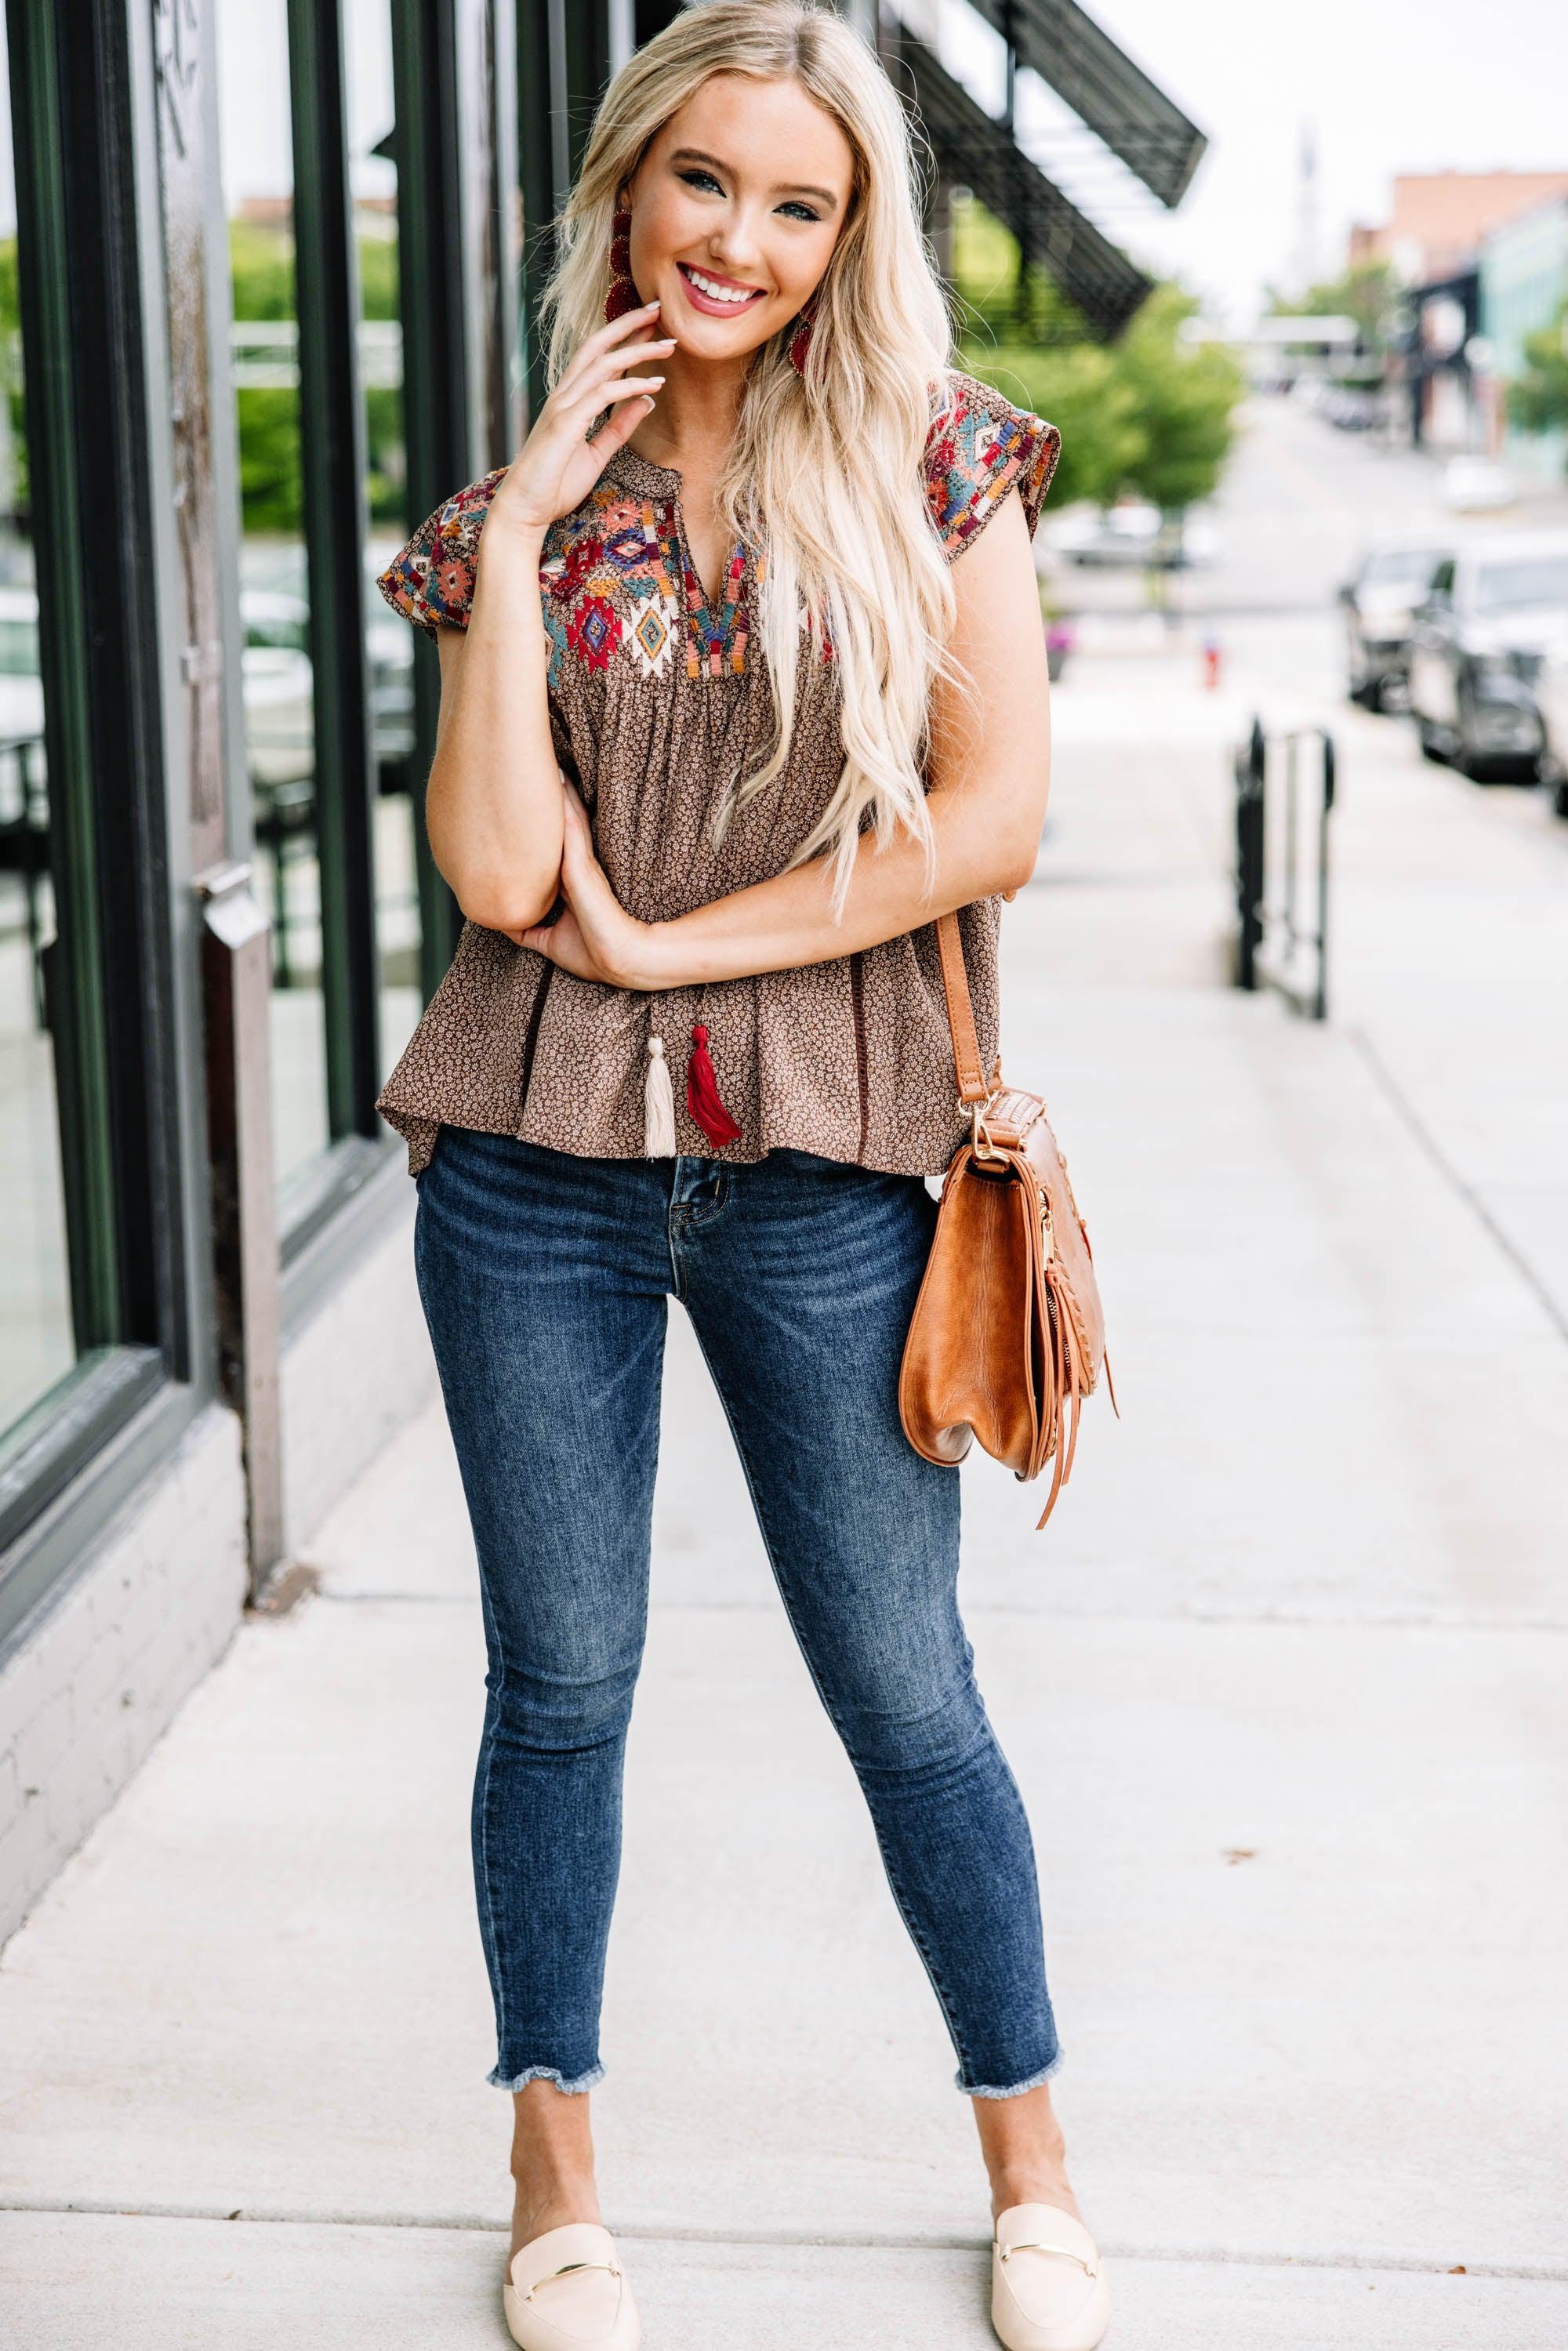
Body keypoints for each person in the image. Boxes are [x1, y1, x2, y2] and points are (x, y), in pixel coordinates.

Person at [374, 7, 1107, 2346]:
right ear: (629, 180)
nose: (747, 244)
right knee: (560, 1685)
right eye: (710, 184)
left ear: (851, 229)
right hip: (529, 1163)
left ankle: (1034, 2167)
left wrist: (683, 942)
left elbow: (989, 829)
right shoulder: (525, 514)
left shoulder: (931, 463)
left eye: (802, 205)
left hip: (832, 1157)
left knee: (907, 1689)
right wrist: (520, 502)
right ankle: (554, 2167)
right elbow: (500, 872)